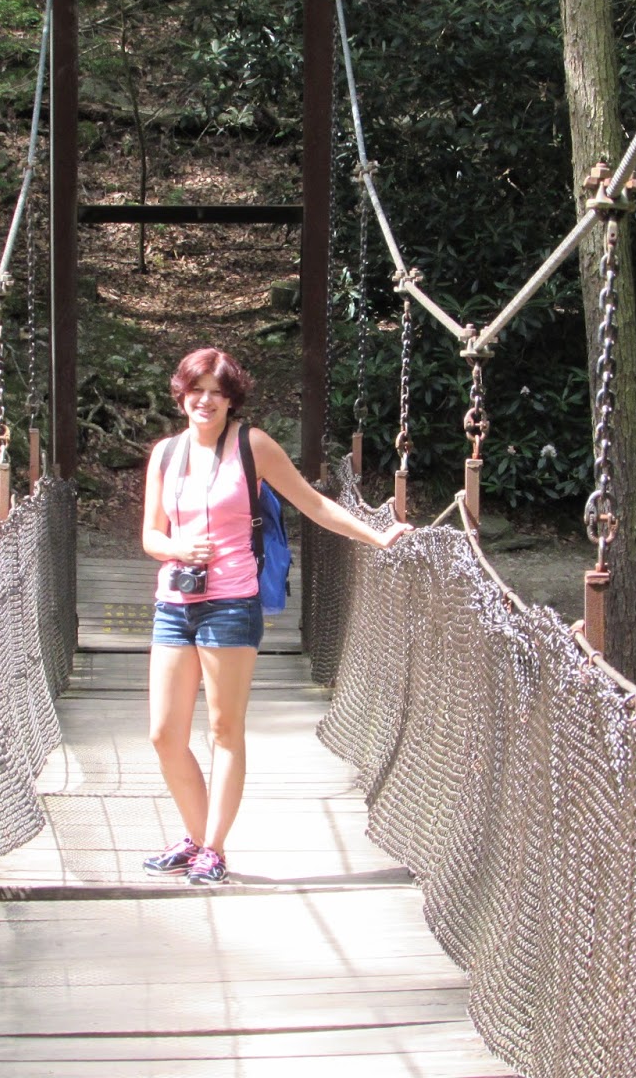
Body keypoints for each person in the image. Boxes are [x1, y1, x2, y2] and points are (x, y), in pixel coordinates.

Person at [140, 347, 411, 885]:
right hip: (174, 602)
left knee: (223, 728)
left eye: (217, 392)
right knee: (163, 733)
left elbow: (313, 504)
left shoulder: (252, 446)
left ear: (231, 399)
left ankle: (214, 848)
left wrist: (378, 536)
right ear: (183, 394)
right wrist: (176, 549)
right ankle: (196, 839)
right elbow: (150, 534)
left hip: (231, 604)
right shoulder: (165, 454)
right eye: (197, 390)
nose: (206, 401)